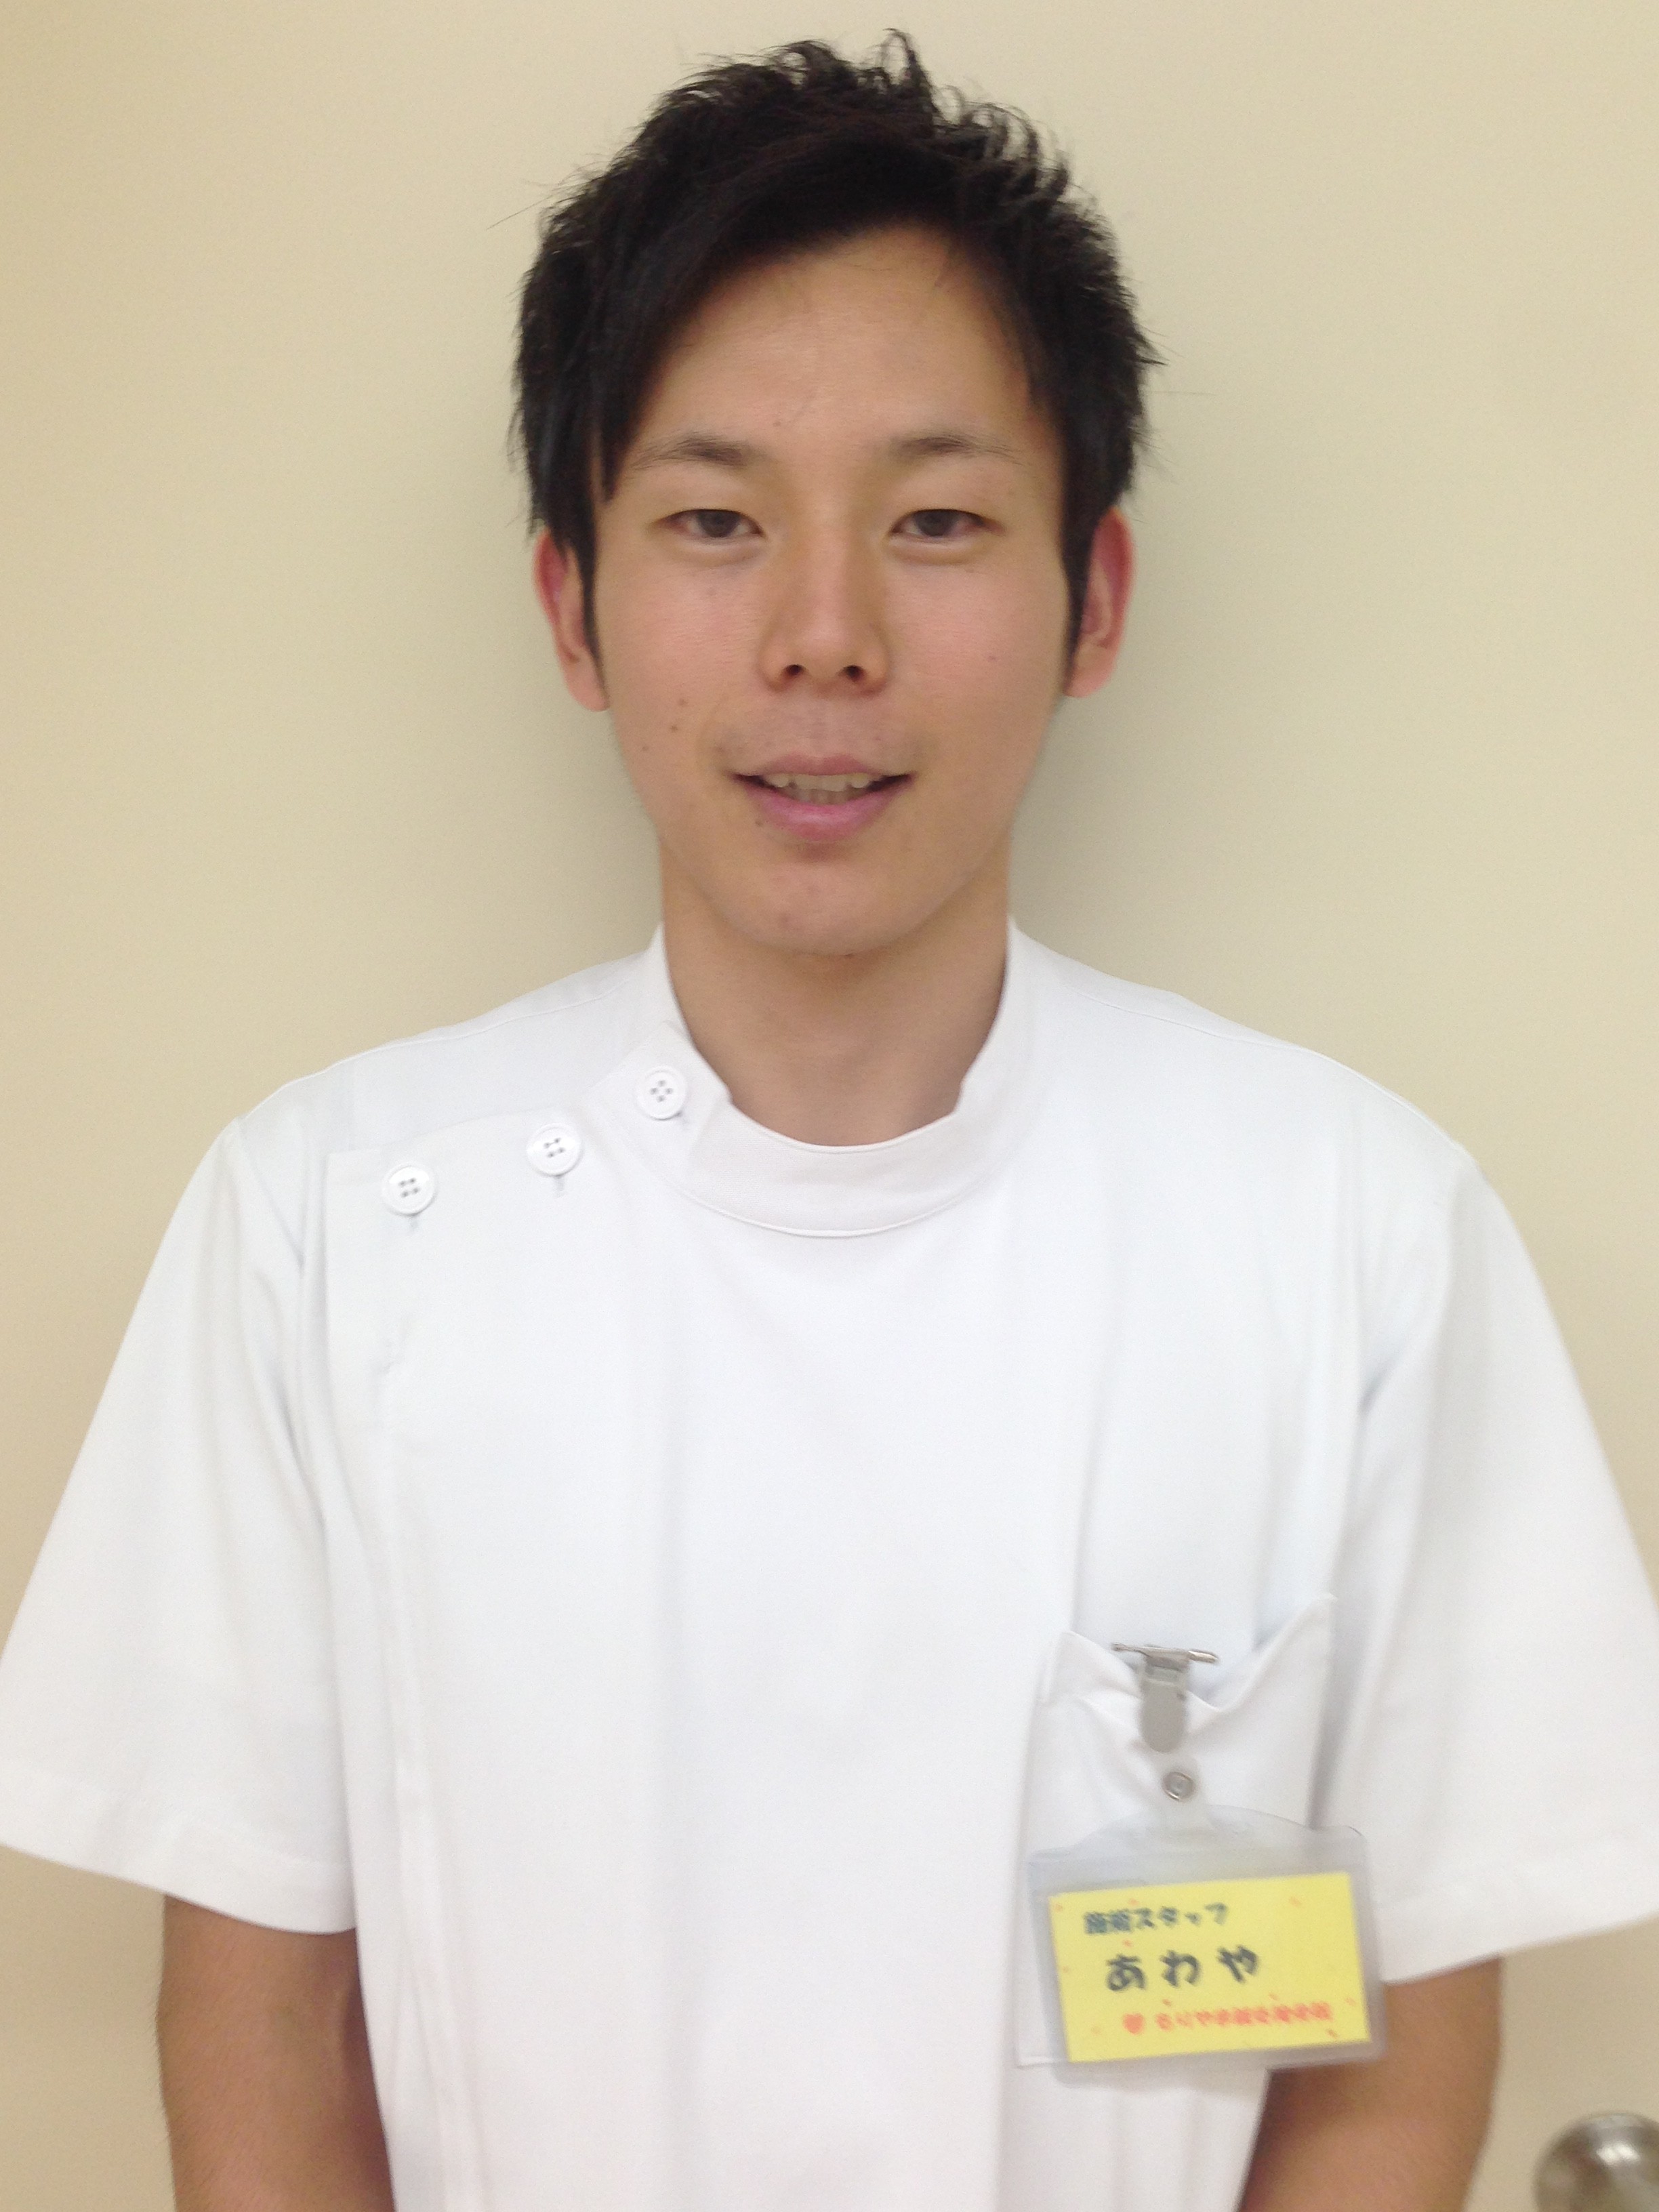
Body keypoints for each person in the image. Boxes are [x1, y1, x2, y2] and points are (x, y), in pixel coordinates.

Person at [2, 33, 1658, 2212]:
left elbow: (1392, 2061)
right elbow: (269, 2033)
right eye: (714, 521)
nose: (823, 636)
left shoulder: (1352, 1231)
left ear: (1095, 599)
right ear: (572, 606)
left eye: (937, 522)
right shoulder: (326, 1224)